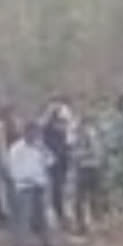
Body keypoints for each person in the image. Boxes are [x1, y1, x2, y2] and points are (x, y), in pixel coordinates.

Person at [8, 121, 55, 246]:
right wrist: (30, 179)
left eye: (37, 132)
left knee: (43, 218)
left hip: (39, 186)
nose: (35, 135)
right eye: (32, 132)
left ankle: (47, 244)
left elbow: (51, 161)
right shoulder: (16, 149)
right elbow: (14, 170)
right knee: (24, 218)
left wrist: (43, 150)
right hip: (25, 187)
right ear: (25, 132)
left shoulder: (39, 146)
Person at [71, 111, 107, 234]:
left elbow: (95, 151)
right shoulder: (78, 135)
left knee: (92, 198)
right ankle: (83, 225)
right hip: (84, 169)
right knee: (82, 199)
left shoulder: (91, 135)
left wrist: (80, 154)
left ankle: (94, 224)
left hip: (90, 168)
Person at [42, 97, 72, 227]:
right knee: (55, 190)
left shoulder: (62, 125)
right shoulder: (46, 127)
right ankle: (58, 216)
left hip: (63, 160)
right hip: (53, 162)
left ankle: (63, 215)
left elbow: (66, 141)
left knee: (62, 189)